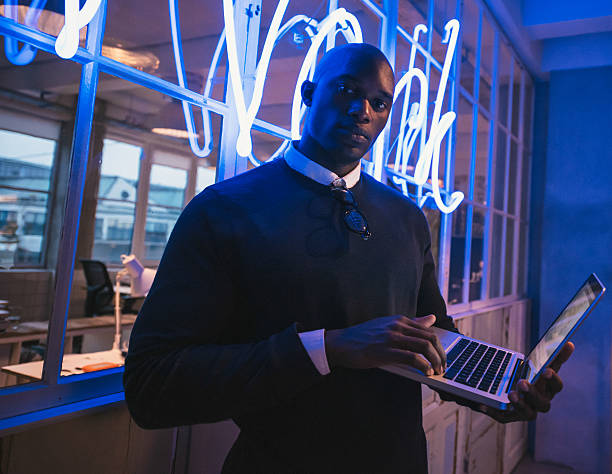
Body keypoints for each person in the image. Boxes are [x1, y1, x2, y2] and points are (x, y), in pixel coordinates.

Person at [124, 43, 572, 473]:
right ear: (308, 94)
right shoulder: (223, 210)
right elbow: (152, 384)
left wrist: (501, 395)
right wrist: (328, 348)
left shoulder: (406, 217)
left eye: (380, 103)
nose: (364, 111)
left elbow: (433, 338)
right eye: (346, 91)